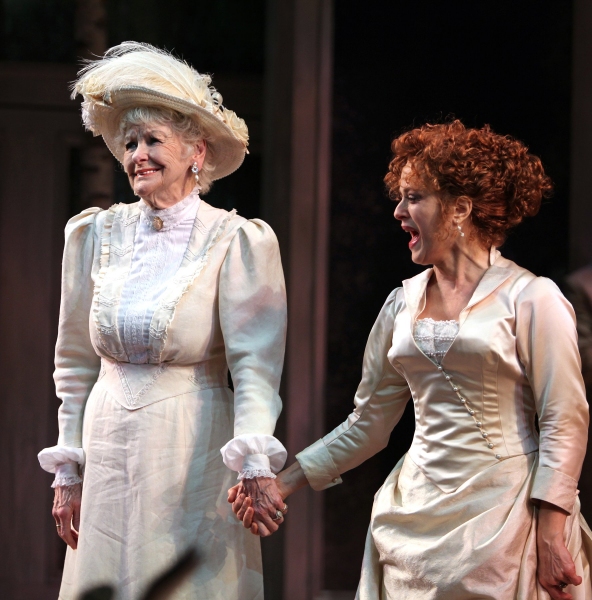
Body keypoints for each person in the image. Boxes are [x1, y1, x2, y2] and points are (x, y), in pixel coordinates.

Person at [230, 120, 592, 599]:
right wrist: (283, 483)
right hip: (412, 520)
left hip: (506, 521)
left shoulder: (532, 299)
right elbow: (368, 423)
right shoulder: (401, 304)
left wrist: (551, 529)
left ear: (460, 208)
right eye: (400, 197)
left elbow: (564, 419)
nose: (399, 211)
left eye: (414, 197)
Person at [37, 42, 288, 600]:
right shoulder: (92, 236)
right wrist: (68, 470)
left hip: (191, 448)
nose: (137, 156)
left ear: (197, 152)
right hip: (106, 445)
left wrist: (254, 459)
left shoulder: (237, 240)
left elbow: (255, 366)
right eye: (129, 143)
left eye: (152, 141)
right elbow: (74, 361)